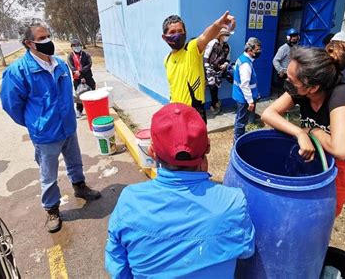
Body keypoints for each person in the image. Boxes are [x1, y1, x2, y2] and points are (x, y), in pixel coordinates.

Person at [105, 103, 255, 278]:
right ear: (208, 147)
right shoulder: (234, 202)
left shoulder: (129, 202)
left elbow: (118, 267)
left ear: (152, 151)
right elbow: (246, 251)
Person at [0, 24, 101, 233]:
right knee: (48, 173)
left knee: (75, 160)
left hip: (68, 126)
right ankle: (52, 209)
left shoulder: (60, 66)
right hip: (45, 134)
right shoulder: (18, 71)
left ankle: (79, 186)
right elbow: (11, 105)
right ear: (29, 43)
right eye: (42, 38)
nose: (48, 41)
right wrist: (35, 123)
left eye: (48, 36)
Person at [261, 41, 345, 217]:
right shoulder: (302, 91)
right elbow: (268, 114)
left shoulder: (342, 96)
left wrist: (312, 131)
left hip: (341, 168)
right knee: (299, 210)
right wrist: (299, 133)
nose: (287, 82)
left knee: (321, 216)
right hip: (315, 154)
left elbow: (341, 150)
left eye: (292, 81)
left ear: (313, 87)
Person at [162, 11, 236, 123]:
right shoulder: (167, 59)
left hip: (193, 112)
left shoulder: (191, 49)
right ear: (165, 37)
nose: (177, 35)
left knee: (198, 141)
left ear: (185, 33)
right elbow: (173, 87)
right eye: (172, 32)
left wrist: (218, 25)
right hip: (175, 112)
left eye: (180, 31)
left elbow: (206, 36)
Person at [232, 37, 262, 142]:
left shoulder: (242, 58)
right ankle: (237, 141)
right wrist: (250, 101)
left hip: (240, 95)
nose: (259, 52)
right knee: (241, 121)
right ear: (250, 50)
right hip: (244, 98)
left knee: (240, 118)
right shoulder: (245, 64)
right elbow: (245, 85)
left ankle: (238, 136)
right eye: (257, 50)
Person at [203, 28, 232, 115]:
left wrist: (225, 65)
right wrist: (207, 68)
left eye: (228, 35)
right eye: (225, 35)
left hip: (220, 70)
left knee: (216, 87)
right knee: (211, 87)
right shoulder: (213, 43)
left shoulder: (227, 47)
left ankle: (215, 104)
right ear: (220, 35)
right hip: (210, 69)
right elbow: (206, 56)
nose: (227, 37)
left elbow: (228, 59)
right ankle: (214, 104)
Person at [67, 39, 96, 118]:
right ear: (72, 47)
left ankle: (93, 109)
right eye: (75, 46)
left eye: (78, 45)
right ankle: (79, 111)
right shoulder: (70, 56)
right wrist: (79, 75)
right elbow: (71, 67)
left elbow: (89, 64)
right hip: (77, 79)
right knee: (79, 95)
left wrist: (81, 72)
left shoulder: (85, 54)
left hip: (88, 77)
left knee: (92, 92)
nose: (77, 47)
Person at [272, 28, 300, 96]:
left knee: (290, 91)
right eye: (293, 37)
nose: (294, 38)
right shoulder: (283, 48)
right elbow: (275, 60)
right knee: (283, 92)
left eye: (296, 37)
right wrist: (280, 70)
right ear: (288, 38)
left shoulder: (295, 47)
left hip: (292, 73)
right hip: (284, 74)